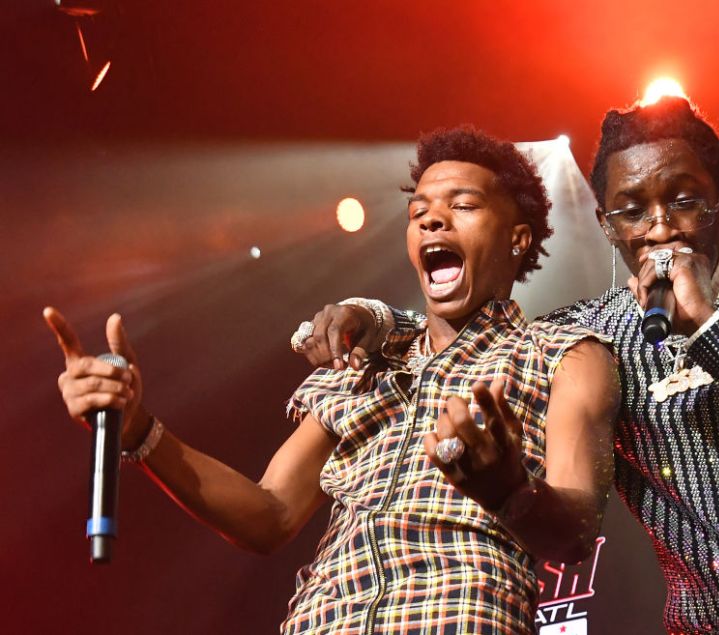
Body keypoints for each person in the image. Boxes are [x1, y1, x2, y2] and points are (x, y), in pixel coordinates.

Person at [296, 98, 719, 634]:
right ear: (605, 225)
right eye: (631, 209)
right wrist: (375, 318)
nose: (658, 227)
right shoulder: (598, 339)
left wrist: (715, 333)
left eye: (684, 200)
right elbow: (476, 337)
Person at [44, 126, 619, 634]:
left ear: (518, 239)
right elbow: (270, 515)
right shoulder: (366, 362)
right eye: (420, 214)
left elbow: (575, 532)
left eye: (463, 205)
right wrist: (138, 428)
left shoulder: (563, 355)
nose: (433, 220)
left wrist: (508, 489)